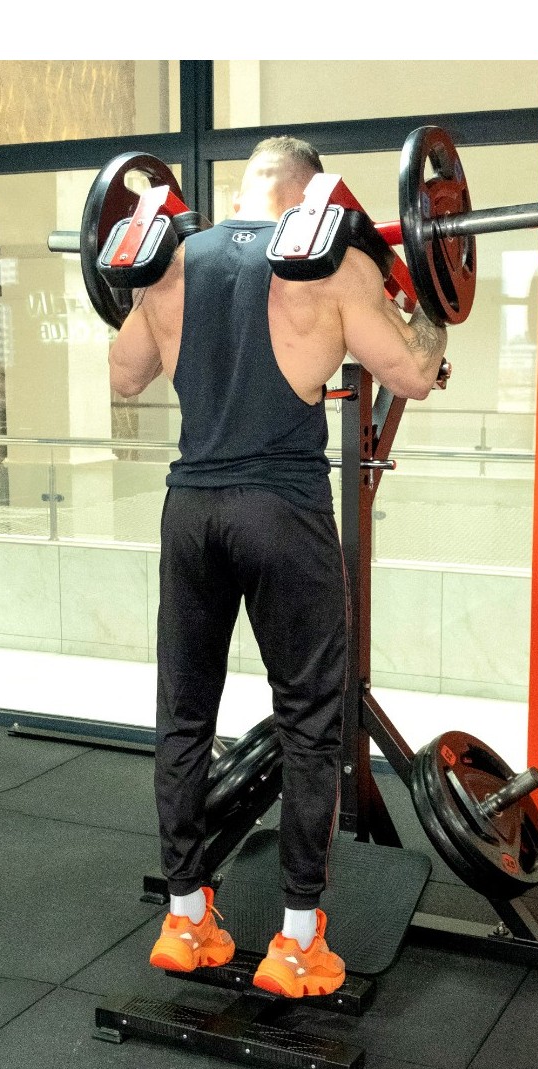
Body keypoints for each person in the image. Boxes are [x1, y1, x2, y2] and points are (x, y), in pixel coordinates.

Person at [109, 135, 448, 998]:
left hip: (191, 513)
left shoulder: (169, 262)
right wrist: (430, 292)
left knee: (183, 715)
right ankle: (297, 942)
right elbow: (414, 372)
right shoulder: (330, 264)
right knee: (308, 721)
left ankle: (186, 917)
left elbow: (124, 378)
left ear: (241, 193)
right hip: (282, 513)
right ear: (311, 194)